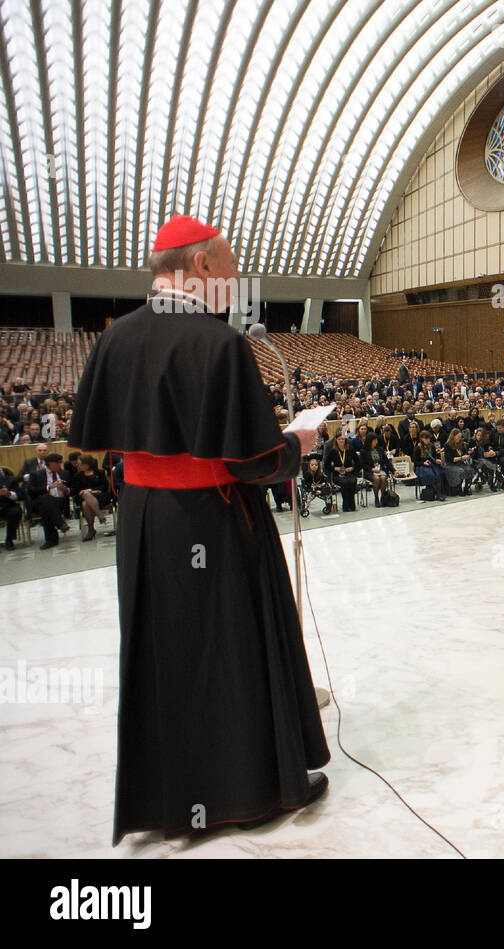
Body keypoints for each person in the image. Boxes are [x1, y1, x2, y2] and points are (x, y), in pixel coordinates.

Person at [69, 213, 328, 844]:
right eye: (230, 268)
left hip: (142, 525)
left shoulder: (114, 338)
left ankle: (168, 799)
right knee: (226, 652)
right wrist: (300, 442)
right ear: (203, 267)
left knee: (163, 655)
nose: (234, 282)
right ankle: (246, 790)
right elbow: (252, 461)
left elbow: (107, 442)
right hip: (212, 521)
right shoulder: (216, 344)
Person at [0, 465, 21, 549]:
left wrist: (9, 494)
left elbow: (19, 495)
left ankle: (9, 539)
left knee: (16, 512)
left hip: (7, 505)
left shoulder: (10, 478)